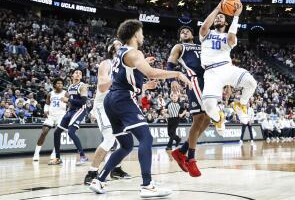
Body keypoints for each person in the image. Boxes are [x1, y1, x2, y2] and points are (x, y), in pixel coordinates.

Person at [89, 19, 191, 197]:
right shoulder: (134, 53)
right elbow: (151, 73)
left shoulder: (122, 52)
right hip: (122, 99)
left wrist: (142, 64)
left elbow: (125, 74)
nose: (143, 36)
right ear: (135, 34)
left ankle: (99, 180)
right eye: (141, 32)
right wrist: (177, 73)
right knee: (146, 138)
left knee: (126, 145)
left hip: (110, 101)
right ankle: (147, 185)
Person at [199, 0, 257, 132]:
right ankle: (219, 118)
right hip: (211, 72)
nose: (218, 18)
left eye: (221, 17)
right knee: (208, 106)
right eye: (216, 17)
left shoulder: (230, 37)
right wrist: (218, 8)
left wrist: (236, 16)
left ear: (226, 23)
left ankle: (240, 105)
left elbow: (231, 37)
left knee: (251, 83)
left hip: (227, 68)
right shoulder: (207, 34)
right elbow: (203, 28)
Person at [84, 39, 131, 185]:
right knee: (110, 138)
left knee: (121, 140)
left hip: (116, 106)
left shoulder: (124, 66)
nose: (121, 46)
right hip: (102, 105)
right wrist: (117, 77)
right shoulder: (107, 63)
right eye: (117, 44)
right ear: (111, 49)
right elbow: (103, 87)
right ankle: (91, 173)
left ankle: (115, 169)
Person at [167, 26, 210, 177]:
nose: (184, 32)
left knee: (207, 119)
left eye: (187, 31)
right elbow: (171, 64)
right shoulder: (179, 47)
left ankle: (181, 151)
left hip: (209, 81)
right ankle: (191, 159)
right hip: (195, 81)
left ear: (193, 34)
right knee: (198, 118)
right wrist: (173, 78)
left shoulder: (202, 45)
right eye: (181, 32)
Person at [49, 69, 89, 165]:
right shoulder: (70, 87)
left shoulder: (82, 86)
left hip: (80, 110)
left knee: (71, 132)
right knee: (56, 132)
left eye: (80, 73)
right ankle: (58, 158)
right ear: (72, 75)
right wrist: (67, 101)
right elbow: (68, 99)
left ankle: (83, 156)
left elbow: (83, 102)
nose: (78, 74)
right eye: (76, 73)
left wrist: (68, 100)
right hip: (71, 110)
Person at [33, 78, 66, 161]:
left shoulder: (66, 93)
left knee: (57, 134)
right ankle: (36, 153)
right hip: (51, 116)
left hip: (61, 116)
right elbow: (47, 104)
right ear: (54, 85)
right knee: (44, 132)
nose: (60, 85)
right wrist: (45, 110)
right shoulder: (50, 94)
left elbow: (70, 103)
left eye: (61, 83)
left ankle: (54, 153)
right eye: (58, 83)